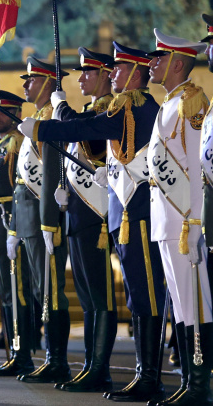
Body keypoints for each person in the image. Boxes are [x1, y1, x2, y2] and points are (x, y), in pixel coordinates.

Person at [19, 41, 167, 402]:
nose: (113, 73)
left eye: (118, 68)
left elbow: (87, 128)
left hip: (135, 212)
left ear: (134, 73)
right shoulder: (126, 108)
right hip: (119, 212)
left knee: (144, 296)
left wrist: (50, 120)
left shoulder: (138, 107)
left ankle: (143, 376)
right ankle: (131, 373)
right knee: (130, 297)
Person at [145, 28, 212, 406]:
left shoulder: (191, 102)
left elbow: (198, 169)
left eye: (159, 57)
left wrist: (196, 221)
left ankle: (200, 385)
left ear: (176, 63)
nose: (152, 63)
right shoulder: (169, 105)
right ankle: (188, 381)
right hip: (166, 219)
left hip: (185, 222)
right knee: (182, 305)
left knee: (195, 302)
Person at [50, 48, 118, 393]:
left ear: (106, 75)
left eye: (88, 72)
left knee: (101, 295)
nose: (80, 79)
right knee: (88, 297)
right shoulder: (92, 111)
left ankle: (100, 369)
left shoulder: (110, 110)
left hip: (97, 214)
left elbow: (82, 133)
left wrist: (60, 107)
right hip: (79, 212)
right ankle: (91, 364)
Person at [7, 57, 72, 384]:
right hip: (29, 218)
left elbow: (53, 173)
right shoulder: (35, 120)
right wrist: (14, 227)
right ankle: (49, 357)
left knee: (51, 290)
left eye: (31, 80)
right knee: (38, 289)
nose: (25, 86)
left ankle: (57, 360)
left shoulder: (51, 120)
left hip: (44, 218)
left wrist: (49, 220)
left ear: (48, 82)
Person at [0, 90, 35, 377]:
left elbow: (20, 189)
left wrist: (14, 229)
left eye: (1, 112)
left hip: (9, 221)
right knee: (6, 294)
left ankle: (22, 355)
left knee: (17, 293)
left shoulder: (18, 143)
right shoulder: (2, 144)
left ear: (15, 115)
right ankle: (14, 353)